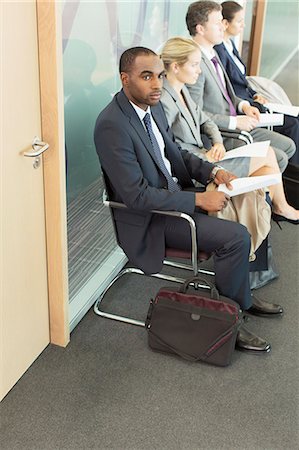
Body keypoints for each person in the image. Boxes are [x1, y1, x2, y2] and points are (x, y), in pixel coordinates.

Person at [94, 46, 284, 354]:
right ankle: (230, 320)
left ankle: (244, 294)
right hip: (153, 218)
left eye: (159, 76)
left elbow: (176, 154)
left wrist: (214, 171)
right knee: (235, 236)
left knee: (252, 195)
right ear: (124, 79)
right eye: (146, 77)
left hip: (175, 195)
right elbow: (136, 196)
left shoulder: (151, 107)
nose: (156, 84)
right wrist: (199, 203)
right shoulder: (112, 125)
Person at [160, 37, 299, 224]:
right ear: (176, 67)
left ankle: (254, 223)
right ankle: (275, 211)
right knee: (267, 157)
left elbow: (206, 121)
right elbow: (174, 148)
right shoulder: (164, 101)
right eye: (194, 65)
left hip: (207, 155)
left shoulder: (182, 90)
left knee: (267, 169)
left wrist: (217, 142)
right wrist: (207, 158)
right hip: (197, 168)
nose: (199, 70)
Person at [185, 1, 296, 174]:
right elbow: (195, 114)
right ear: (200, 29)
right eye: (217, 23)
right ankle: (259, 196)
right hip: (219, 132)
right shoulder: (194, 62)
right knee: (279, 156)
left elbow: (227, 94)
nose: (222, 27)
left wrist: (243, 105)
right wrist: (235, 121)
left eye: (222, 21)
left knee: (288, 146)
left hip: (235, 121)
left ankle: (261, 193)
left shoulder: (212, 53)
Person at [214, 1, 299, 165]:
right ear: (225, 23)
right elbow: (229, 88)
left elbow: (242, 81)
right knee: (293, 125)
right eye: (239, 21)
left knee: (296, 117)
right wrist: (249, 102)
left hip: (250, 100)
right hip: (245, 108)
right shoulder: (218, 51)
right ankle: (294, 176)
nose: (243, 25)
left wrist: (256, 94)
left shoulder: (230, 44)